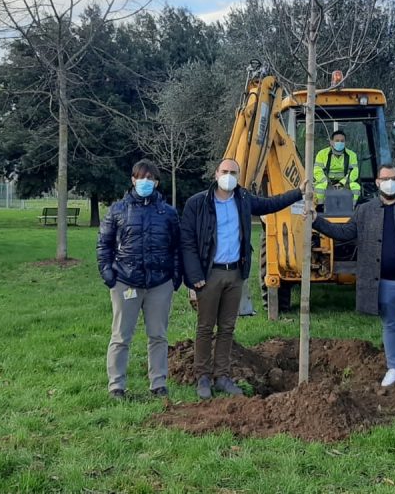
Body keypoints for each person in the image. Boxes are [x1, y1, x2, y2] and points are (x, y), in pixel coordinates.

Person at [312, 164, 395, 388]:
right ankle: (393, 368)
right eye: (385, 178)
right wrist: (317, 220)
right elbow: (344, 233)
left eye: (394, 178)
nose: (389, 182)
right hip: (383, 282)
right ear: (377, 182)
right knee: (391, 325)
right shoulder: (365, 210)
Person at [181, 158, 303, 400]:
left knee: (227, 328)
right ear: (216, 174)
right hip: (209, 274)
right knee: (205, 328)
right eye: (225, 171)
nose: (229, 176)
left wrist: (298, 193)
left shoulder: (243, 199)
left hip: (235, 273)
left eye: (233, 172)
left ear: (238, 176)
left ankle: (222, 376)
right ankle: (203, 376)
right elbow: (187, 241)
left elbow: (270, 204)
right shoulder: (198, 203)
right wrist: (194, 276)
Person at [97, 159, 181, 400]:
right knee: (121, 336)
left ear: (156, 182)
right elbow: (104, 244)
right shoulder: (118, 210)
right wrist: (109, 275)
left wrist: (175, 277)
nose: (145, 182)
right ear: (133, 180)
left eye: (150, 178)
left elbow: (176, 247)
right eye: (141, 177)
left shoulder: (168, 213)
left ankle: (158, 383)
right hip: (126, 282)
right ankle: (116, 386)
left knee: (158, 335)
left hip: (159, 284)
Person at [313, 130, 360, 206]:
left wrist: (342, 183)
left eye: (342, 141)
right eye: (337, 141)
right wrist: (327, 183)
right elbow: (317, 171)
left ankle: (351, 209)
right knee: (319, 189)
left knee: (356, 188)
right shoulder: (322, 154)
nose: (340, 143)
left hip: (345, 183)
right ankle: (320, 209)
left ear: (345, 142)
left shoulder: (352, 155)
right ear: (331, 142)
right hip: (326, 182)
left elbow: (354, 172)